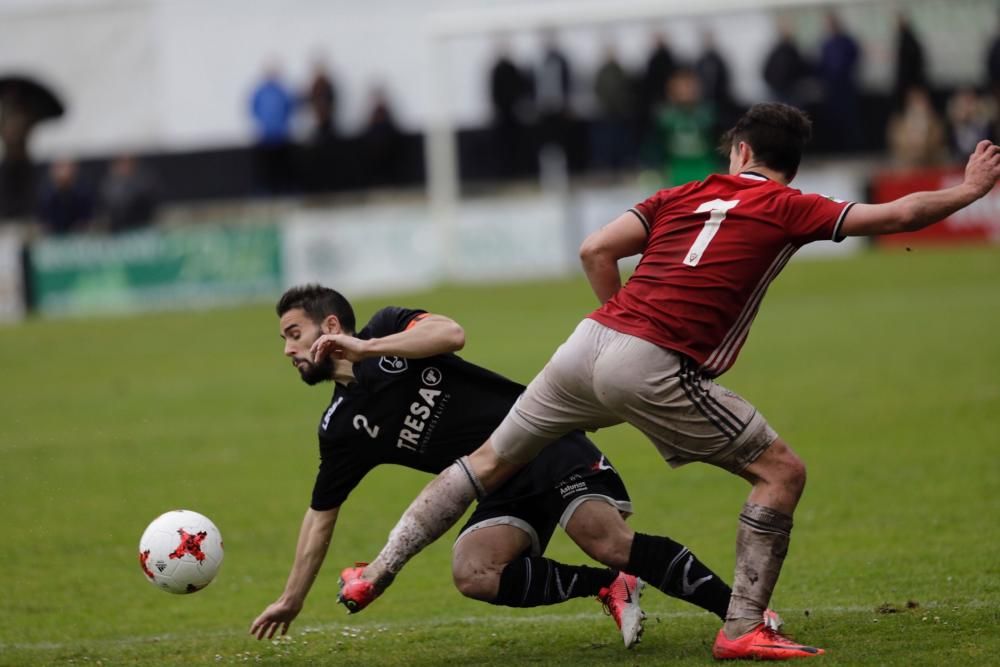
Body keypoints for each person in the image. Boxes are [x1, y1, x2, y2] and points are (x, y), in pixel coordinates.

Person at [337, 103, 1000, 660]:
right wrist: (969, 190)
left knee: (485, 460)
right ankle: (742, 626)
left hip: (586, 341)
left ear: (739, 150)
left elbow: (595, 248)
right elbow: (895, 217)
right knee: (781, 473)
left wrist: (614, 319)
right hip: (650, 359)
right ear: (787, 165)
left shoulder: (681, 194)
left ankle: (375, 570)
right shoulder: (789, 205)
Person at [249, 285, 741, 649]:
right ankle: (608, 585)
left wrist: (370, 348)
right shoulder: (342, 428)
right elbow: (321, 515)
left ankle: (743, 614)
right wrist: (292, 598)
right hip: (497, 484)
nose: (288, 350)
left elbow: (451, 333)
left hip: (544, 438)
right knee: (474, 573)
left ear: (331, 327)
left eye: (294, 334)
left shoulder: (386, 327)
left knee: (608, 542)